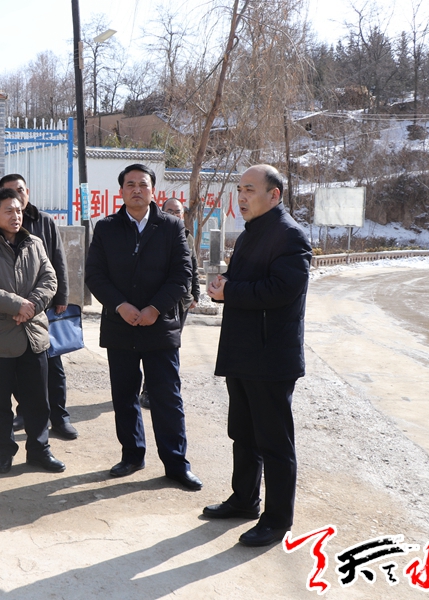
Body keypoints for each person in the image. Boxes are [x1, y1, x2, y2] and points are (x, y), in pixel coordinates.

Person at [202, 164, 311, 547]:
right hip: (243, 352)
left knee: (274, 442)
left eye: (249, 189)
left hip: (270, 357)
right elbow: (248, 283)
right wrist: (225, 285)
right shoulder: (252, 232)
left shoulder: (290, 236)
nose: (241, 197)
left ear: (274, 195)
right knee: (244, 434)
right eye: (239, 189)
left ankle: (277, 520)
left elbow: (282, 290)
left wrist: (230, 291)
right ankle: (245, 499)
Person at [85, 163, 202, 491]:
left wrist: (155, 308)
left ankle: (176, 464)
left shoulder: (171, 226)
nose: (137, 189)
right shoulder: (107, 227)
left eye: (143, 184)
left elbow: (182, 274)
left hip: (159, 326)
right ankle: (132, 455)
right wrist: (120, 305)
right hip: (119, 325)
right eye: (130, 184)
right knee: (124, 396)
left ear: (153, 191)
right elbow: (95, 274)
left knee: (167, 398)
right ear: (121, 191)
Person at [0, 187, 65, 475]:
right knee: (0, 403)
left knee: (38, 401)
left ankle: (39, 450)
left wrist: (31, 306)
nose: (16, 216)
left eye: (19, 210)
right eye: (8, 210)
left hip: (33, 336)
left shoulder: (35, 243)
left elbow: (49, 279)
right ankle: (5, 451)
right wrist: (16, 305)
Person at [0, 174, 76, 439]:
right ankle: (24, 413)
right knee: (17, 369)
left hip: (42, 308)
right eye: (10, 192)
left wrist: (61, 297)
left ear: (28, 192)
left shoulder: (44, 221)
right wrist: (13, 306)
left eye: (20, 190)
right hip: (9, 314)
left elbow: (57, 260)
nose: (17, 196)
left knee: (52, 367)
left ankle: (59, 417)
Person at [139, 197, 200, 409]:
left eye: (178, 212)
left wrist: (195, 294)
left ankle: (167, 389)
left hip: (181, 303)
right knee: (154, 347)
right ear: (162, 212)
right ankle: (148, 390)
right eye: (170, 211)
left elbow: (193, 267)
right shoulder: (157, 234)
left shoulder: (187, 237)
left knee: (171, 346)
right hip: (161, 303)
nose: (174, 215)